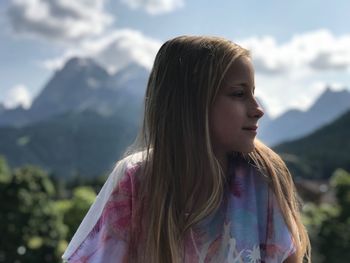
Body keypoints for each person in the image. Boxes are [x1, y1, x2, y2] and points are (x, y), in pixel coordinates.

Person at [62, 35, 311, 263]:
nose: (258, 109)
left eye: (253, 93)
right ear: (191, 104)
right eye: (238, 94)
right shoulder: (137, 182)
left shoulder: (262, 176)